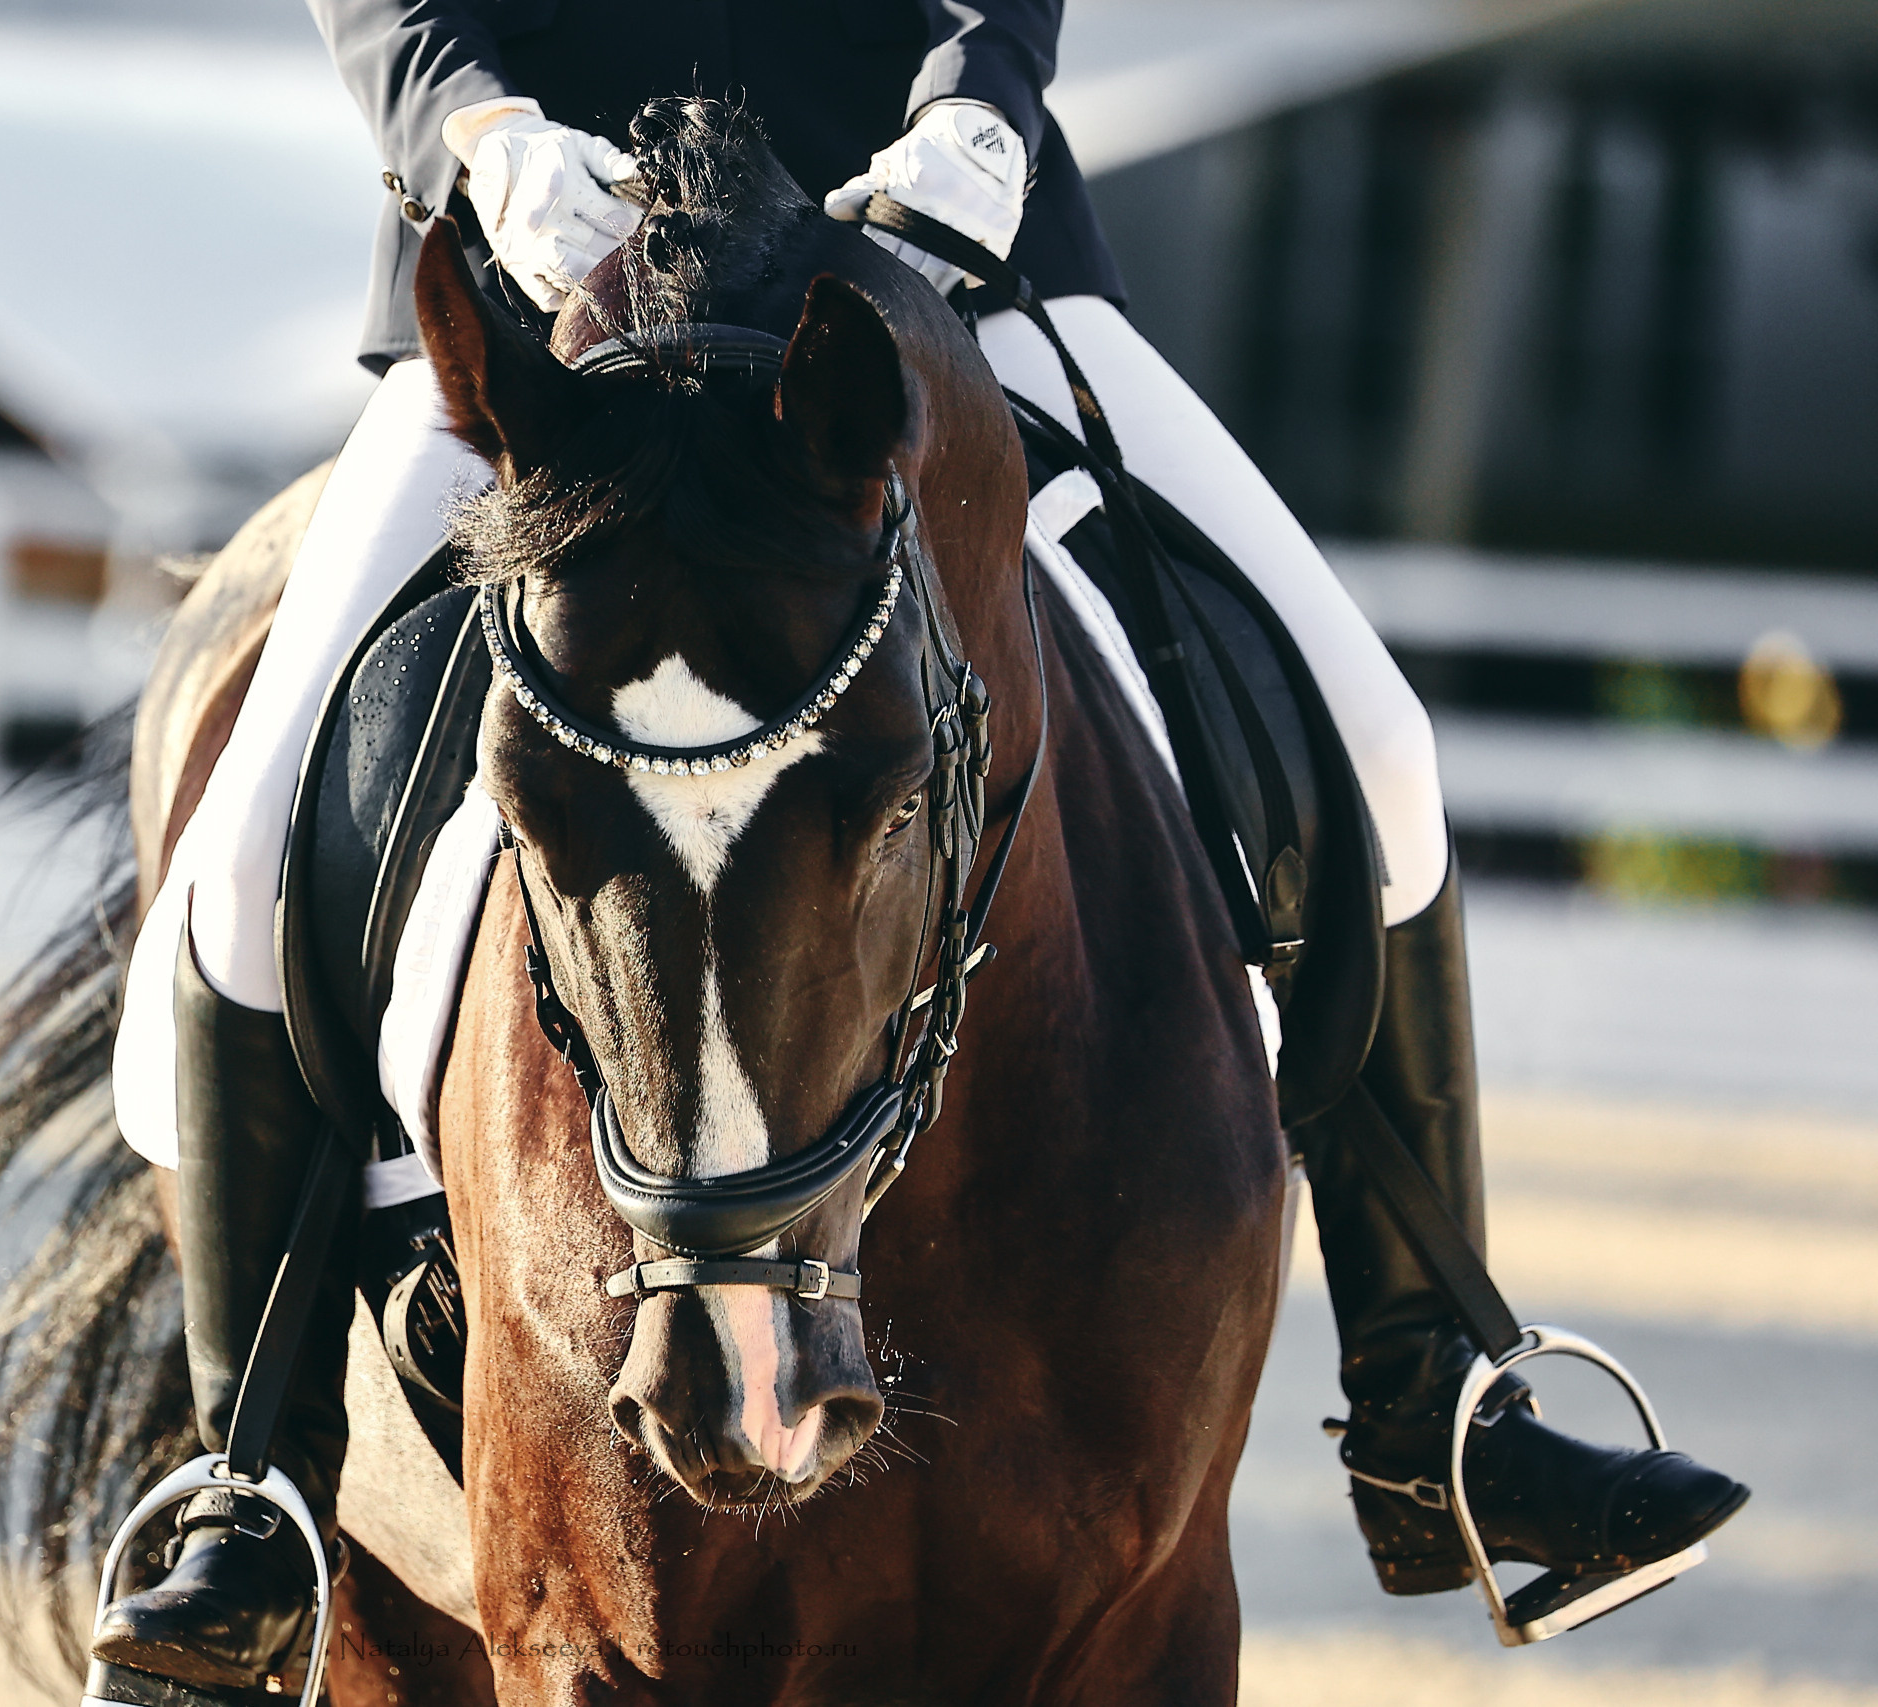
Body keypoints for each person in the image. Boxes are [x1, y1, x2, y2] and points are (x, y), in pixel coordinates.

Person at [97, 1, 1747, 1687]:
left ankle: (1439, 1396)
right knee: (243, 858)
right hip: (551, 276)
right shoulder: (505, 199)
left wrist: (979, 102)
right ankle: (255, 1483)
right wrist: (480, 132)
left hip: (923, 252)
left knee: (1379, 746)